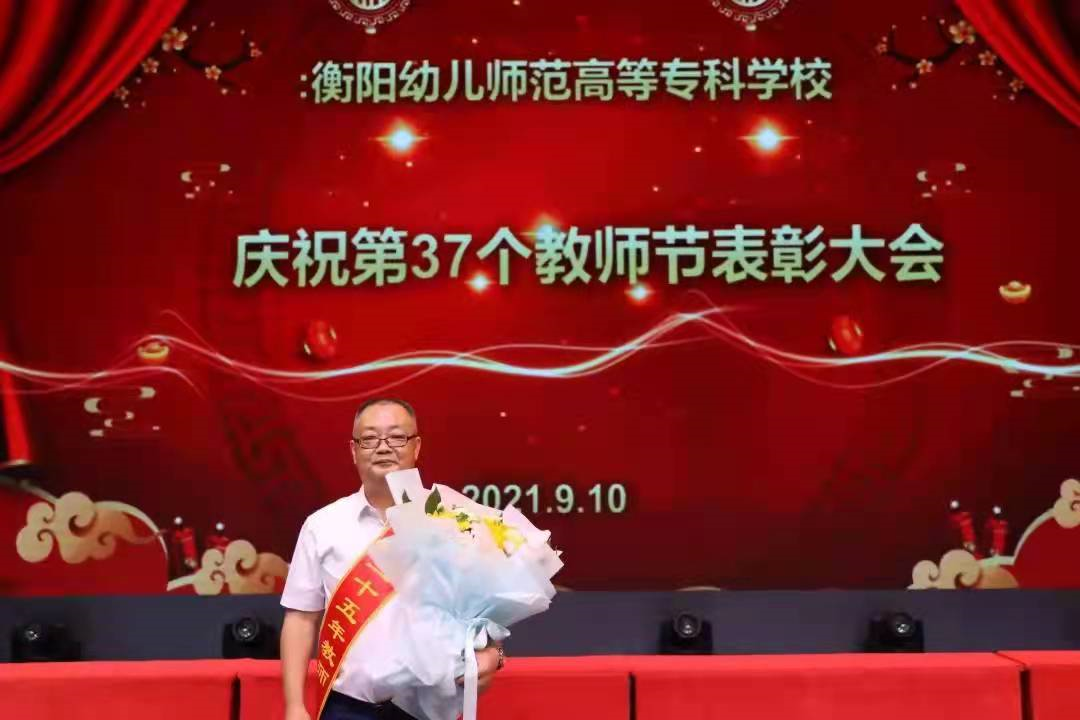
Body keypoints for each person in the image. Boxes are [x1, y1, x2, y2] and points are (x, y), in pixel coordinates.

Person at [280, 398, 504, 720]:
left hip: (429, 709)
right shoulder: (322, 526)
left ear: (417, 446)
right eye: (370, 438)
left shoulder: (455, 520)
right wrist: (294, 705)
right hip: (347, 708)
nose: (383, 447)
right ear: (354, 450)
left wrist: (494, 654)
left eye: (397, 437)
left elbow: (488, 612)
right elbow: (301, 619)